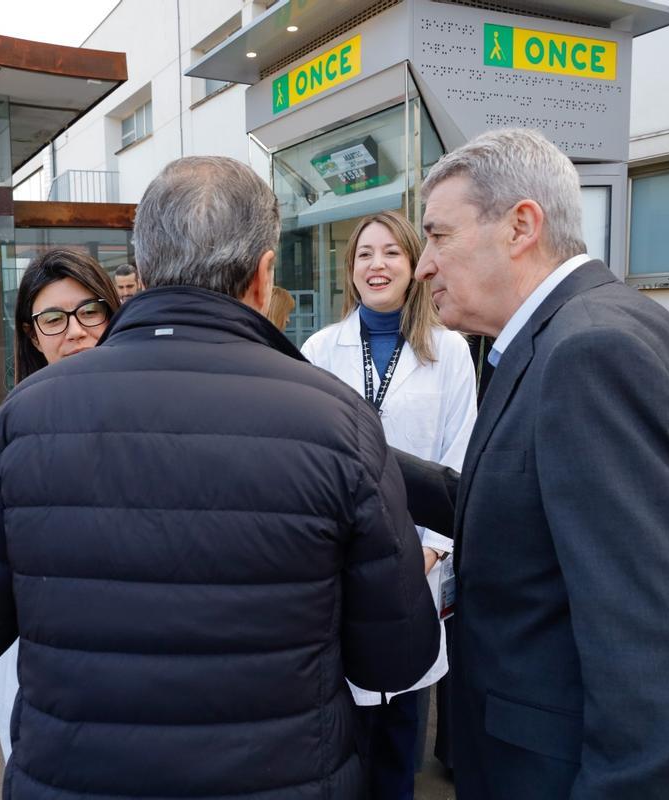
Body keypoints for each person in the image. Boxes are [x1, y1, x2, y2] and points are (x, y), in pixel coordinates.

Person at [0, 155, 440, 798]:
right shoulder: (337, 421)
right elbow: (398, 656)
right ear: (263, 274)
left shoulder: (24, 419)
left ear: (143, 270)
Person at [412, 127, 669, 799]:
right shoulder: (578, 330)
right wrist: (360, 451)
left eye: (438, 235)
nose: (424, 264)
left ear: (520, 226)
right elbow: (523, 513)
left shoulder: (591, 352)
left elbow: (655, 652)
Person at [302, 210, 476, 799]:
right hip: (341, 563)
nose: (377, 265)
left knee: (402, 718)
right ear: (350, 271)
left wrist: (432, 550)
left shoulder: (450, 352)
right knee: (342, 722)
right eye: (364, 255)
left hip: (417, 564)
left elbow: (460, 455)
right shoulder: (320, 349)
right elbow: (307, 457)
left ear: (414, 264)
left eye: (391, 253)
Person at [0, 247, 121, 761]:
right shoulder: (3, 431)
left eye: (89, 311)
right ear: (32, 335)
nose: (75, 331)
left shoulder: (154, 411)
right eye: (52, 319)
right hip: (44, 661)